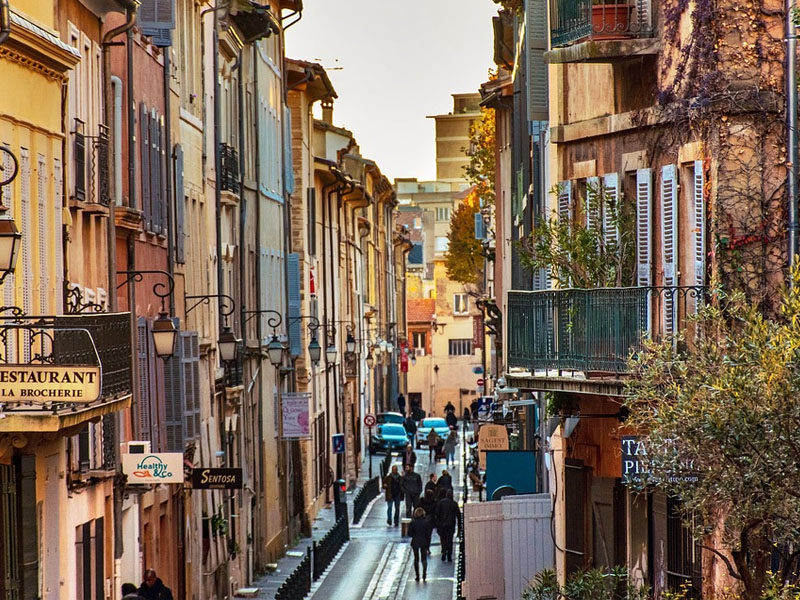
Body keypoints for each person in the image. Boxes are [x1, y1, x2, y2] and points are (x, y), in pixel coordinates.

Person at [434, 489, 462, 562]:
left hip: (442, 524)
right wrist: (459, 527)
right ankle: (449, 554)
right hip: (451, 524)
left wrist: (437, 523)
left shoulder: (441, 503)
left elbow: (436, 514)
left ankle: (443, 552)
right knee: (449, 539)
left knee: (443, 539)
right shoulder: (454, 504)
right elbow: (458, 516)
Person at [408, 507, 433, 582]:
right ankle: (424, 573)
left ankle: (417, 575)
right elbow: (428, 534)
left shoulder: (413, 523)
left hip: (415, 541)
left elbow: (409, 533)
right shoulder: (426, 522)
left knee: (416, 558)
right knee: (424, 558)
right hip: (424, 542)